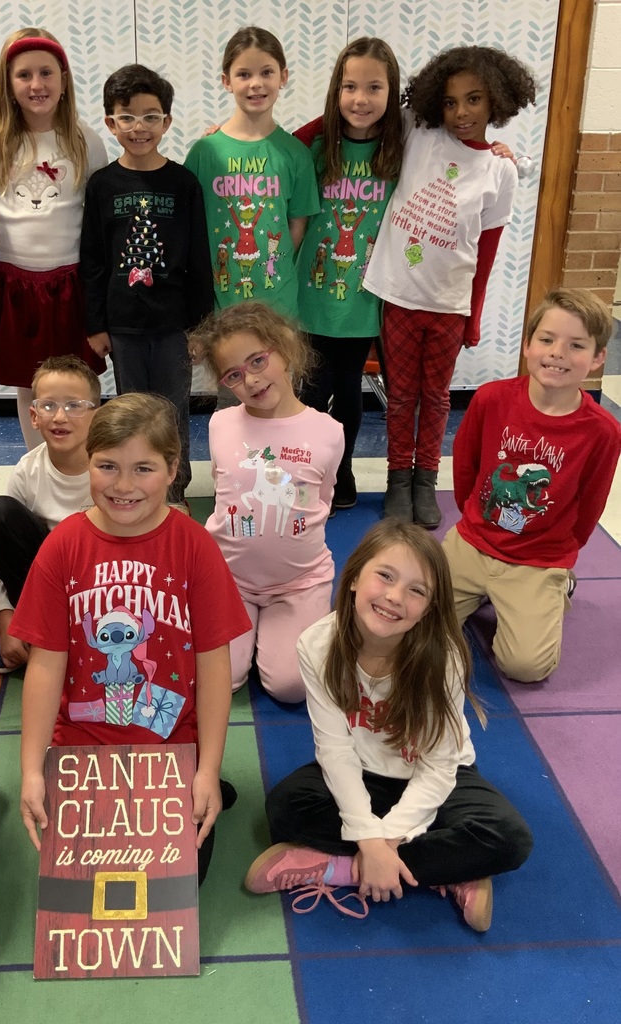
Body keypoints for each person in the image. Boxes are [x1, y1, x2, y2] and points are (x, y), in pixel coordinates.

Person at [245, 520, 533, 932]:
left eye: (417, 591)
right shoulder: (317, 644)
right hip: (364, 771)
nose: (395, 597)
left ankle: (339, 869)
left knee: (509, 837)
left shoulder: (443, 658)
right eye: (384, 576)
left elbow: (439, 766)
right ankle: (449, 868)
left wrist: (383, 844)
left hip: (436, 775)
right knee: (285, 808)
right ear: (354, 578)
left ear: (429, 609)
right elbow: (336, 751)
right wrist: (369, 837)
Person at [11, 393, 252, 883]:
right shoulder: (63, 547)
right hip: (82, 751)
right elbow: (45, 664)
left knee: (175, 883)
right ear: (88, 463)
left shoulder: (194, 547)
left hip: (170, 746)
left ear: (173, 467)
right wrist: (32, 770)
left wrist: (205, 769)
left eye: (143, 468)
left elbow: (213, 666)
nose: (124, 486)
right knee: (82, 885)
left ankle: (211, 782)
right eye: (108, 466)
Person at [362, 46, 537, 528]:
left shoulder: (501, 169)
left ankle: (424, 479)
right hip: (399, 293)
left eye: (474, 100)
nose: (461, 113)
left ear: (496, 102)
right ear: (435, 103)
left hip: (449, 303)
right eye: (451, 101)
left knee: (436, 397)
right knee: (400, 395)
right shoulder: (419, 134)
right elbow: (356, 112)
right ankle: (399, 478)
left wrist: (474, 315)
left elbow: (487, 253)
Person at [444, 288, 621, 683]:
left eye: (576, 345)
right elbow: (466, 467)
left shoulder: (602, 432)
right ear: (527, 345)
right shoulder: (491, 399)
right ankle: (486, 592)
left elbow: (590, 503)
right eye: (547, 339)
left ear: (597, 358)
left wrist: (559, 553)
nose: (558, 352)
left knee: (525, 667)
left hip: (538, 559)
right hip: (473, 541)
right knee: (415, 629)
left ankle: (556, 589)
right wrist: (475, 519)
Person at [191, 303, 344, 703]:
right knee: (219, 679)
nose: (252, 379)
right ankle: (255, 639)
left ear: (285, 348)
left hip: (298, 582)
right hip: (230, 579)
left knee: (291, 687)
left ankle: (295, 629)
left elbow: (320, 500)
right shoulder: (221, 424)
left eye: (258, 360)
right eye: (235, 375)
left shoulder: (328, 431)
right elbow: (226, 493)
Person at [80, 64, 213, 508]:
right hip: (123, 325)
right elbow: (94, 259)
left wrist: (201, 328)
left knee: (173, 412)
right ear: (111, 123)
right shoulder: (101, 186)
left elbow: (198, 258)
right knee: (133, 410)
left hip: (175, 326)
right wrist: (96, 324)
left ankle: (174, 490)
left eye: (151, 116)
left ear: (167, 122)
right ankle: (137, 486)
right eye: (128, 117)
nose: (139, 127)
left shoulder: (183, 184)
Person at [0, 27, 109, 451]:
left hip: (70, 281)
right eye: (24, 75)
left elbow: (98, 213)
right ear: (8, 85)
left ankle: (86, 465)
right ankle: (39, 466)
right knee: (31, 386)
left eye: (46, 73)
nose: (37, 85)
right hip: (15, 283)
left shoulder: (85, 139)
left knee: (77, 382)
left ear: (64, 80)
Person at [293, 38, 403, 510]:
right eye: (350, 86)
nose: (361, 99)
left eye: (374, 87)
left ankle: (343, 469)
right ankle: (312, 467)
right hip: (312, 292)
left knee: (348, 385)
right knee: (313, 387)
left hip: (363, 294)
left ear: (392, 93)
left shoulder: (400, 151)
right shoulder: (314, 147)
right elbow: (268, 146)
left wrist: (492, 149)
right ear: (336, 91)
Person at [184, 26, 319, 320]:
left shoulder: (296, 154)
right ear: (226, 81)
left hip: (277, 307)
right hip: (217, 307)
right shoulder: (204, 153)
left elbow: (297, 227)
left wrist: (272, 263)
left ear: (283, 76)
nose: (256, 83)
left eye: (266, 72)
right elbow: (190, 228)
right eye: (244, 74)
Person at [0, 355, 99, 674]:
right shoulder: (27, 470)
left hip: (98, 581)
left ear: (96, 416)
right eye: (48, 406)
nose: (60, 417)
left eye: (75, 405)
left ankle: (71, 636)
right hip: (46, 585)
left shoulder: (111, 469)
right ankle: (30, 629)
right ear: (33, 416)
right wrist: (6, 621)